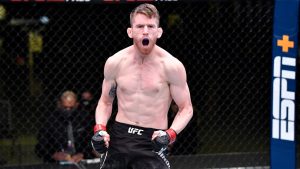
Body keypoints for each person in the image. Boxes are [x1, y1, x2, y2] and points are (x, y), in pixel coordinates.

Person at [91, 3, 193, 169]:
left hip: (152, 139)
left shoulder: (172, 66)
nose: (145, 31)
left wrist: (170, 134)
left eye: (151, 26)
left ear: (159, 32)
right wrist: (100, 130)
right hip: (120, 137)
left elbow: (186, 108)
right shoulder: (115, 62)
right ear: (130, 31)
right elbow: (105, 102)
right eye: (139, 26)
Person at [35, 90, 94, 163]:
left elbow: (92, 141)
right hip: (58, 162)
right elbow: (40, 147)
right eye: (65, 107)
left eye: (71, 108)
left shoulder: (84, 118)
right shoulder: (50, 120)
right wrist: (53, 154)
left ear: (76, 105)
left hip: (81, 160)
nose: (68, 110)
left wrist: (83, 154)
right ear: (59, 104)